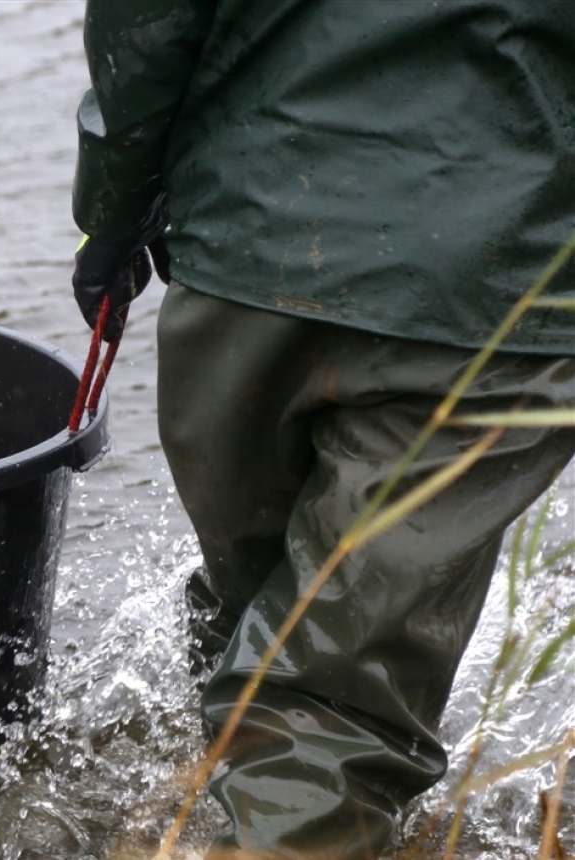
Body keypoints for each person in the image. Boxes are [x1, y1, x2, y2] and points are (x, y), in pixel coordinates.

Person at [69, 1, 574, 857]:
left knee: (260, 609)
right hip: (493, 287)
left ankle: (213, 817)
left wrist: (112, 213)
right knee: (329, 703)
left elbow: (145, 21)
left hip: (249, 255)